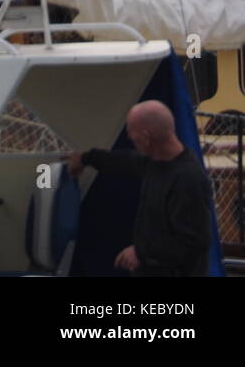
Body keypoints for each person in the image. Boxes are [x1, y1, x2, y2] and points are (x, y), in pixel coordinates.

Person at [68, 99, 214, 276]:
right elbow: (123, 161)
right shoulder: (155, 162)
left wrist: (142, 252)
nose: (130, 138)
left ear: (145, 137)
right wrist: (86, 158)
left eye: (132, 134)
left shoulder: (187, 179)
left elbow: (193, 242)